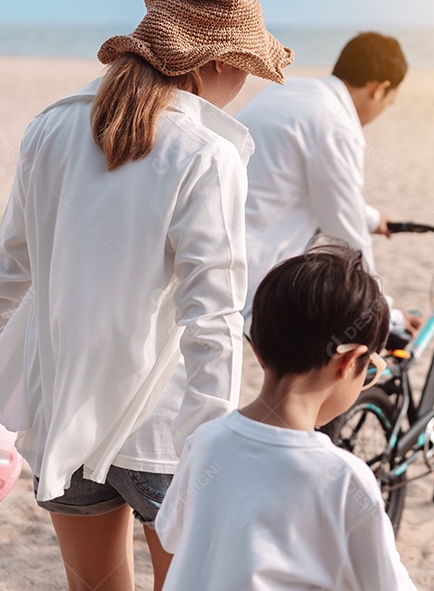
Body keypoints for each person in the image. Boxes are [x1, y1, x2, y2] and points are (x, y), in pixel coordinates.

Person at [0, 0, 293, 591]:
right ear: (213, 59)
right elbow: (212, 314)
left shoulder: (50, 126)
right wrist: (211, 444)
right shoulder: (206, 152)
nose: (247, 81)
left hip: (62, 413)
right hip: (168, 428)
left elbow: (8, 270)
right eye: (246, 61)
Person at [156, 242, 417, 591]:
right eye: (370, 368)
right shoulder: (344, 478)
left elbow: (170, 534)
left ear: (259, 349)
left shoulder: (205, 441)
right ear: (348, 362)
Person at [235, 31, 418, 335]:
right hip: (250, 281)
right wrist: (384, 309)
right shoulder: (337, 125)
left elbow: (316, 188)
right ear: (379, 89)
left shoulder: (288, 90)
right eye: (389, 102)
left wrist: (373, 218)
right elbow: (347, 237)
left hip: (209, 253)